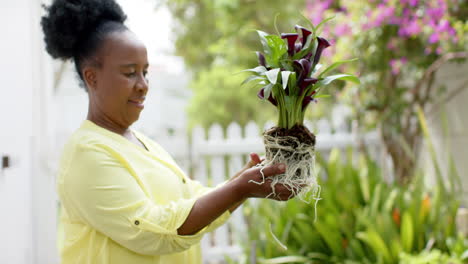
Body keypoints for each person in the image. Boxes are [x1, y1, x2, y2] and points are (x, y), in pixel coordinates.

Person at [41, 0, 297, 263]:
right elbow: (155, 231)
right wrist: (239, 189)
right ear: (91, 77)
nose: (143, 85)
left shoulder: (141, 143)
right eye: (130, 73)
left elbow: (191, 202)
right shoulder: (87, 155)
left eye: (145, 72)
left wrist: (245, 181)